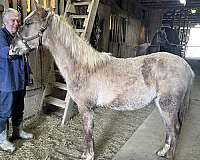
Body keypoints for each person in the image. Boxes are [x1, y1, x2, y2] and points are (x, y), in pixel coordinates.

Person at [0, 8, 33, 153]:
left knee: (19, 107)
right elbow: (6, 52)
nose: (16, 23)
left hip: (20, 78)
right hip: (7, 81)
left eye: (18, 20)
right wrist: (21, 47)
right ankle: (2, 139)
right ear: (5, 21)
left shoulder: (18, 34)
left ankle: (17, 131)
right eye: (13, 20)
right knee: (5, 111)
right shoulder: (1, 35)